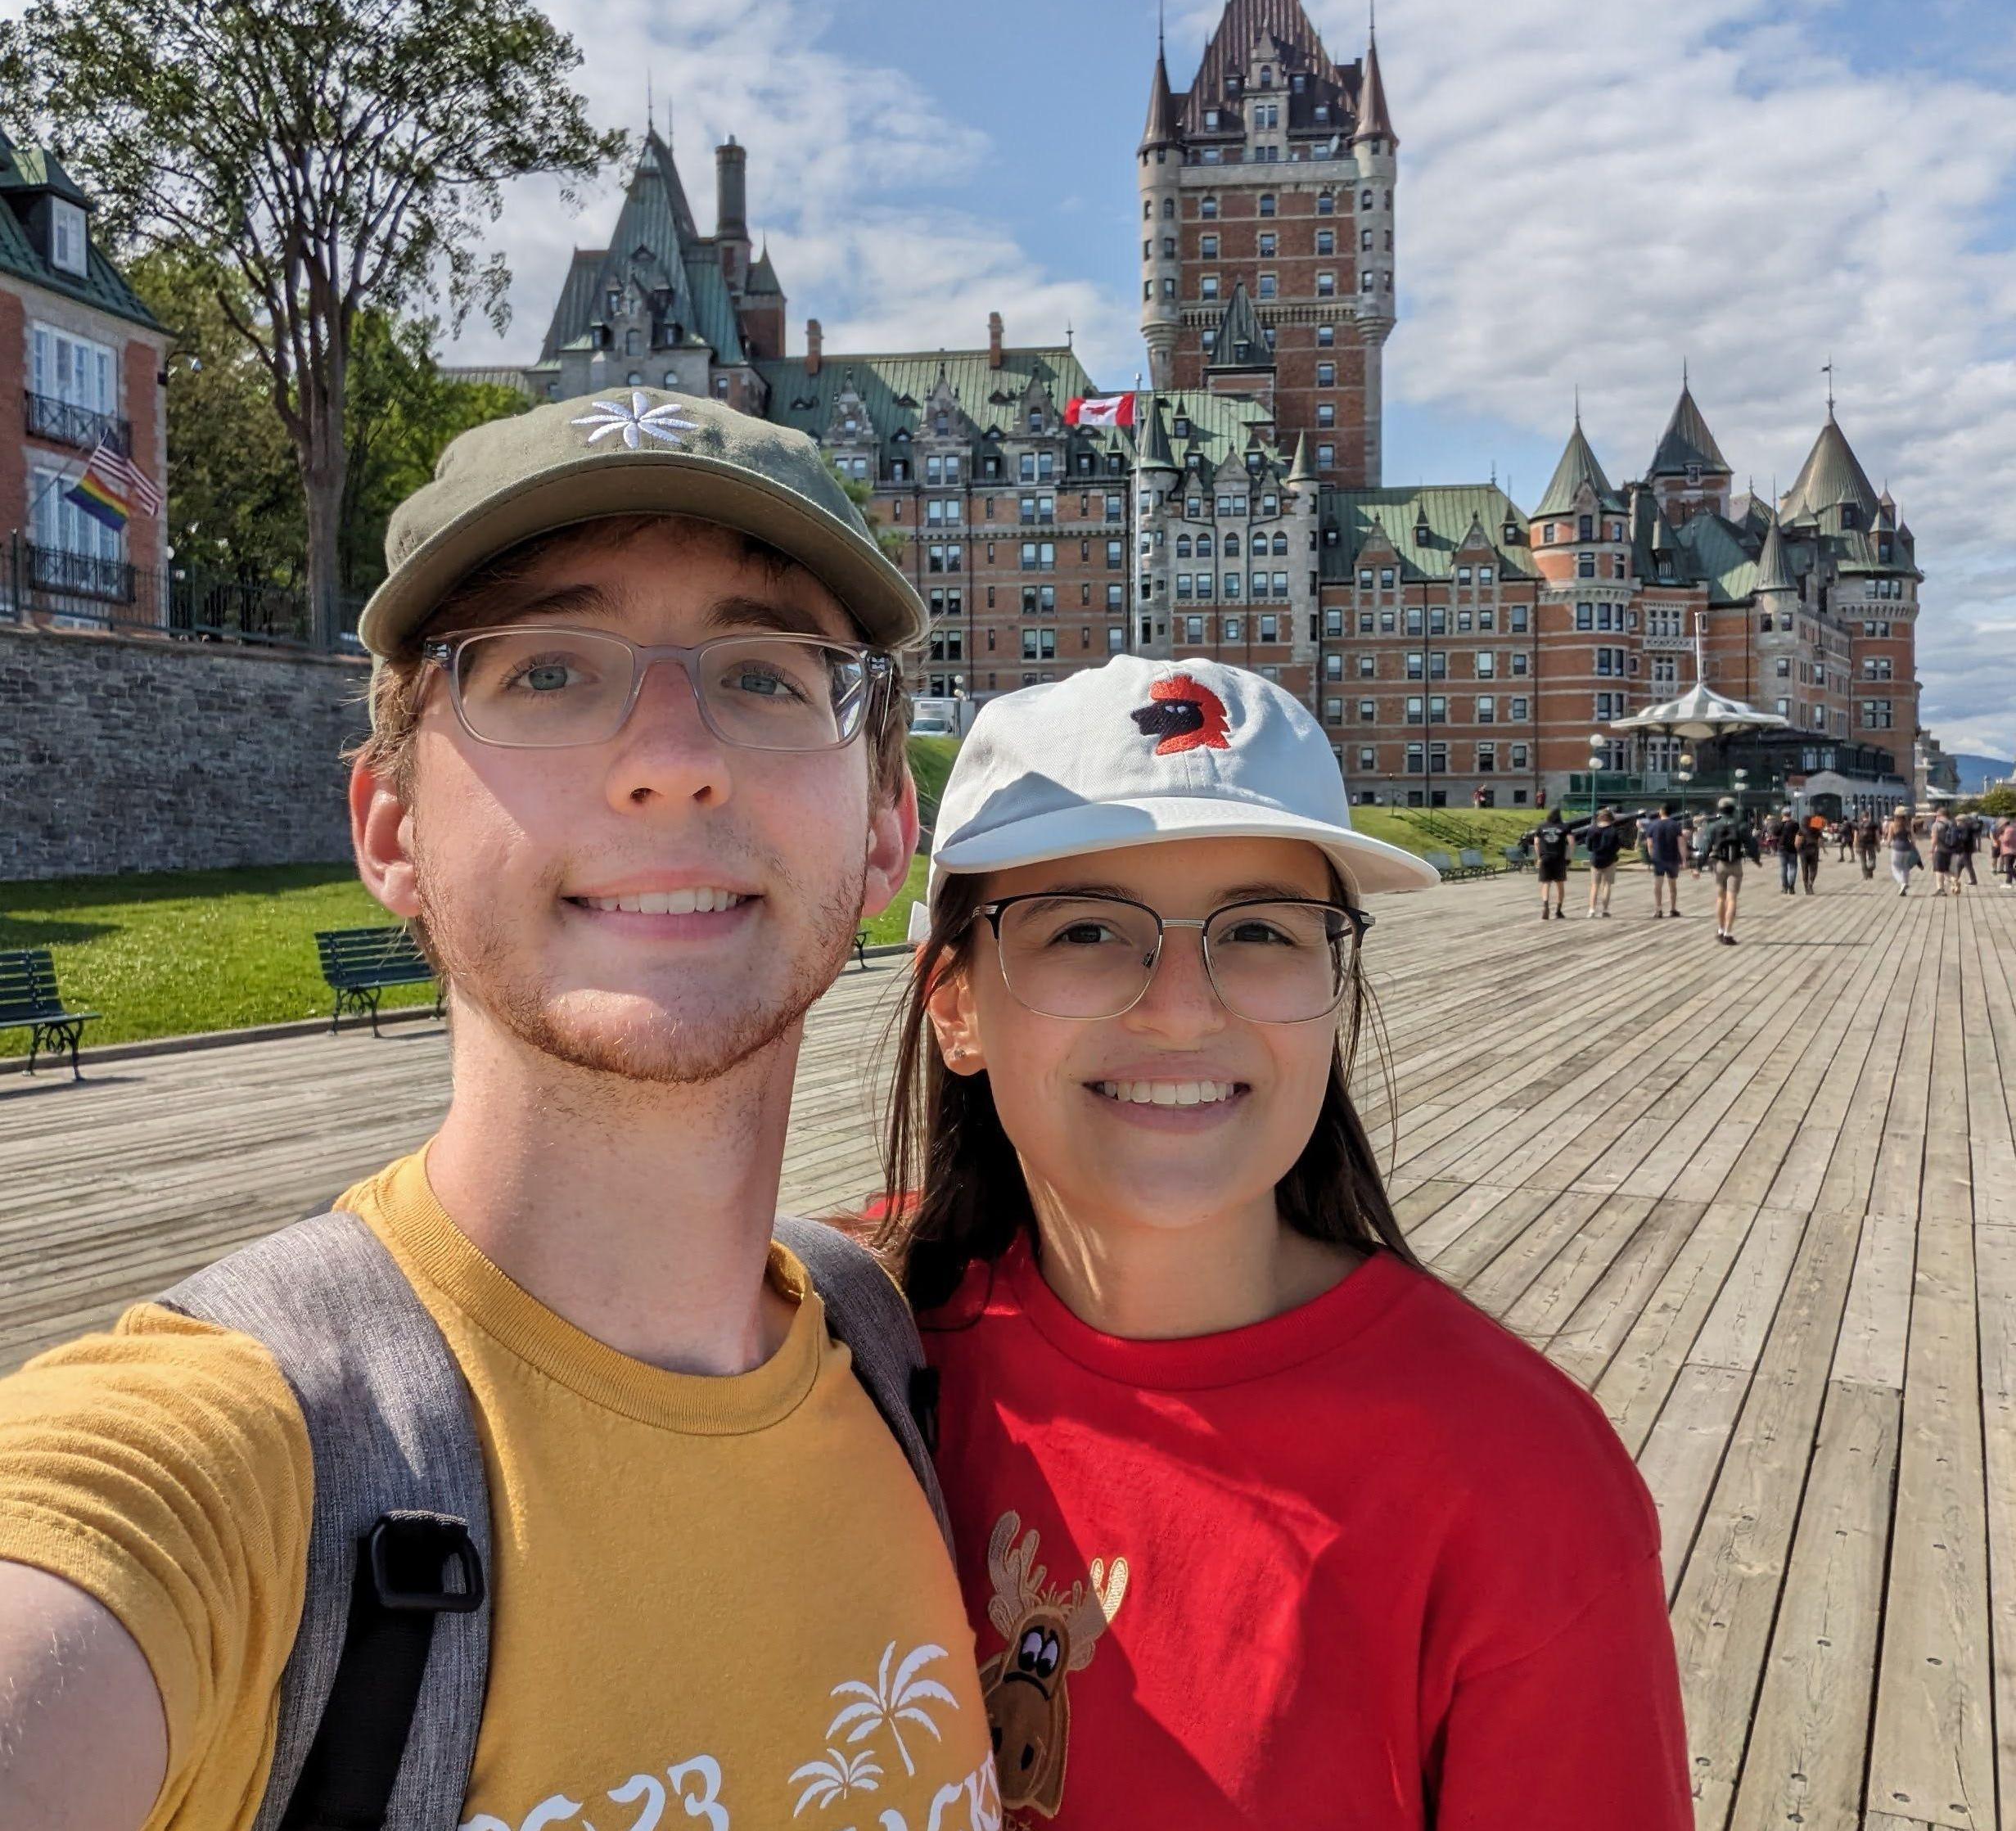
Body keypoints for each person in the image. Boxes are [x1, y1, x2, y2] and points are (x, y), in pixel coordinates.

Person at [0, 391, 999, 1829]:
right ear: (391, 829)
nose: (670, 755)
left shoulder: (898, 1364)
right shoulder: (235, 1460)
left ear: (889, 826)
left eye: (768, 674)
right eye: (546, 672)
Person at [883, 658, 1692, 1828]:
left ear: (1333, 985)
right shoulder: (843, 1341)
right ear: (955, 1004)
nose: (1180, 1006)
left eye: (1259, 928)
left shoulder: (1520, 1487)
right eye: (1086, 929)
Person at [1694, 796, 1761, 945]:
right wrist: (1756, 859)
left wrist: (1698, 867)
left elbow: (1705, 849)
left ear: (1720, 810)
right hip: (1735, 864)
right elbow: (1750, 845)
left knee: (1720, 898)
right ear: (1733, 809)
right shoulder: (1741, 825)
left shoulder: (1713, 826)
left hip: (1720, 865)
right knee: (1732, 899)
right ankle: (1728, 933)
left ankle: (1720, 929)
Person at [1525, 807, 1573, 921]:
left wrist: (1539, 857)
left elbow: (1536, 842)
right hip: (1559, 858)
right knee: (1560, 884)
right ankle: (1558, 910)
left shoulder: (1542, 826)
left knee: (1546, 883)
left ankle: (1546, 905)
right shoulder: (1564, 826)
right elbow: (1571, 842)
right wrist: (1569, 856)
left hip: (1545, 858)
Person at [1642, 800, 1686, 919]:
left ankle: (1659, 909)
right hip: (1673, 858)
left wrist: (1652, 857)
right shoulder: (1675, 825)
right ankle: (1673, 909)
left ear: (1661, 812)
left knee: (1658, 885)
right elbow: (1681, 843)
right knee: (1673, 885)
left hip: (1658, 858)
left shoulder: (1653, 825)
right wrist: (1684, 859)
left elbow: (1650, 844)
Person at [1585, 807, 1622, 918]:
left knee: (1594, 885)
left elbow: (1588, 846)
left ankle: (1592, 910)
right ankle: (1605, 910)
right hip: (1610, 859)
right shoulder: (1613, 831)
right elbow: (1617, 847)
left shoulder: (1592, 829)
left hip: (1596, 859)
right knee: (1607, 885)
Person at [1883, 805, 1919, 895]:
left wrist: (1888, 845)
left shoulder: (1892, 825)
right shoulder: (1908, 824)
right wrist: (1914, 847)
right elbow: (1913, 838)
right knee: (1905, 868)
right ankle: (1903, 887)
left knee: (1895, 868)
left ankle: (1903, 883)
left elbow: (1889, 838)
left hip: (1897, 848)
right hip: (1907, 848)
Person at [1930, 809, 1957, 897]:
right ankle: (1954, 880)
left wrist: (1932, 850)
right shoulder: (1952, 823)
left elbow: (1934, 839)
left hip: (1940, 850)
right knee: (1946, 870)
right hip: (1951, 850)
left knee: (1939, 870)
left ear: (1939, 815)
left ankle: (1940, 889)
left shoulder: (1936, 825)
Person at [1776, 810, 1802, 896]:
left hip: (1782, 848)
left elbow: (1775, 834)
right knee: (1793, 868)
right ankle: (1791, 887)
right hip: (1792, 848)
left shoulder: (1780, 824)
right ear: (1791, 814)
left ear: (1782, 814)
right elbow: (1799, 835)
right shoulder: (1795, 824)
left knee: (1783, 868)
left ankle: (1785, 888)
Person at [1799, 814, 1826, 896]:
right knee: (1814, 869)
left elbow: (1798, 840)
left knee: (1805, 870)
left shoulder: (1801, 829)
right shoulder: (1816, 829)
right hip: (1814, 850)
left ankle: (1806, 888)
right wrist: (1824, 850)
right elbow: (1820, 841)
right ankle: (1810, 884)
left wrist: (1797, 849)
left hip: (1803, 851)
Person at [1952, 810, 1980, 888]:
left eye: (1957, 821)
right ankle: (1956, 879)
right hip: (1967, 849)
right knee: (1960, 865)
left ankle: (1973, 880)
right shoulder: (1967, 827)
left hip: (1965, 849)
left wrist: (1958, 838)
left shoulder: (1965, 827)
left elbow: (1965, 838)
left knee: (1967, 865)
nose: (1957, 823)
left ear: (1962, 821)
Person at [1856, 810, 1881, 880]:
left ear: (1862, 816)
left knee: (1863, 861)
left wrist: (1856, 846)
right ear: (1868, 816)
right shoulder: (1873, 824)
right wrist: (1878, 845)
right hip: (1871, 844)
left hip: (1861, 844)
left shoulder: (1858, 824)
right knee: (1872, 859)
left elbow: (1856, 836)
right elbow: (1877, 835)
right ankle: (1869, 871)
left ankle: (1865, 876)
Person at [1998, 814, 2016, 886]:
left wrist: (2000, 837)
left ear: (2004, 825)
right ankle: (2009, 881)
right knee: (2010, 867)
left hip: (2009, 851)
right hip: (2012, 850)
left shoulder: (2008, 830)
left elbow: (2006, 840)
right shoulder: (2013, 829)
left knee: (2009, 868)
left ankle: (2009, 882)